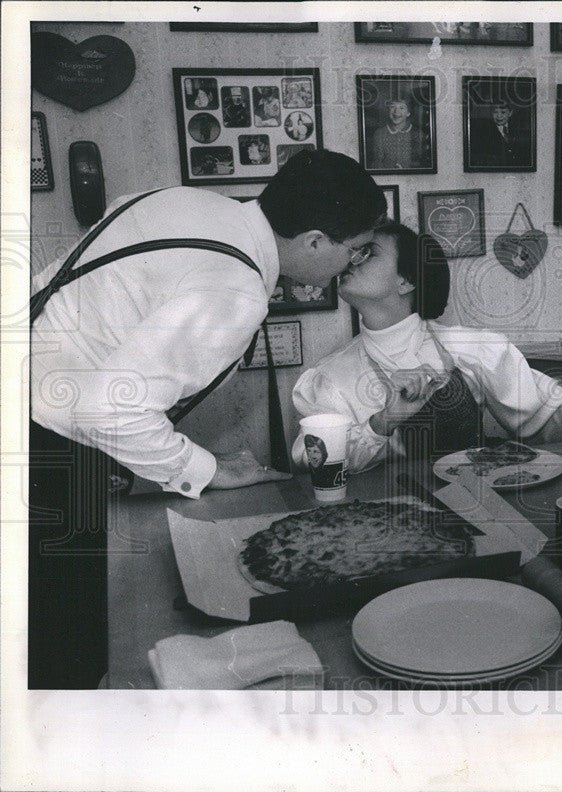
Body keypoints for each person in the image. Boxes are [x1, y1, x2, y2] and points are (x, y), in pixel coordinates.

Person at [29, 148, 387, 688]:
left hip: (32, 394)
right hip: (39, 448)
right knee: (64, 657)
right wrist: (206, 468)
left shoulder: (181, 200)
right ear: (315, 241)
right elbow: (108, 407)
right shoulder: (235, 287)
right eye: (354, 251)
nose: (350, 267)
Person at [291, 222, 562, 472]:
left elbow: (547, 402)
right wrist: (385, 420)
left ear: (406, 281)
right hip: (381, 522)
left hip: (480, 509)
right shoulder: (330, 377)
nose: (351, 261)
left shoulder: (468, 348)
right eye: (353, 252)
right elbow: (311, 459)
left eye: (368, 253)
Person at [470, 97, 529, 167]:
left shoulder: (519, 130)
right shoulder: (484, 133)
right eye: (495, 112)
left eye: (503, 112)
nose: (499, 116)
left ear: (510, 113)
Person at [368, 93, 422, 170]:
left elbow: (421, 162)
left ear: (408, 113)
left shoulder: (418, 134)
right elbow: (377, 162)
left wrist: (406, 170)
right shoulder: (380, 133)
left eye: (402, 108)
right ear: (388, 111)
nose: (396, 111)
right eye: (392, 107)